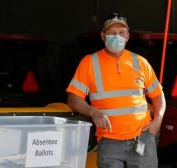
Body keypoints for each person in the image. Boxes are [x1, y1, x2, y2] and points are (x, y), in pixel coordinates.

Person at [66, 12, 166, 168]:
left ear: (127, 36)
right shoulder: (89, 62)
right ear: (103, 36)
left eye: (121, 33)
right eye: (111, 33)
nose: (117, 36)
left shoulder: (140, 62)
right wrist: (92, 112)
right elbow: (73, 98)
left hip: (142, 138)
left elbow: (159, 96)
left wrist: (157, 121)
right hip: (108, 140)